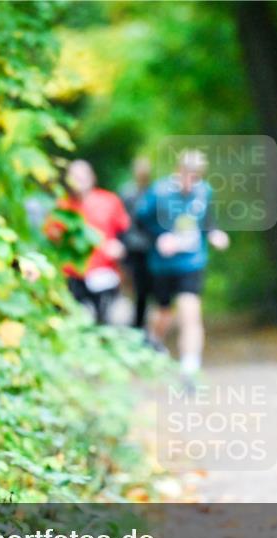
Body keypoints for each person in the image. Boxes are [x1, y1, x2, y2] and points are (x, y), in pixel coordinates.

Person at [139, 149, 229, 378]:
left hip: (192, 262)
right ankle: (154, 342)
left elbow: (207, 220)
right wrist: (159, 237)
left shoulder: (204, 191)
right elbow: (140, 221)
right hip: (163, 265)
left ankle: (190, 366)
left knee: (190, 311)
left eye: (197, 177)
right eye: (188, 176)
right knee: (164, 313)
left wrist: (214, 233)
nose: (192, 183)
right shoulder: (159, 191)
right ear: (178, 171)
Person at [53, 160, 130, 325]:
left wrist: (120, 247)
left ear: (92, 177)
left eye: (83, 176)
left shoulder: (109, 201)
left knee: (106, 319)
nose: (79, 180)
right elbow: (53, 238)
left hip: (104, 272)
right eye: (74, 176)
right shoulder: (63, 206)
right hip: (72, 274)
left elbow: (126, 232)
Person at [119, 156, 154, 329]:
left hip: (150, 248)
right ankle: (134, 323)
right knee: (132, 286)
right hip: (131, 247)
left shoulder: (154, 192)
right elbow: (121, 220)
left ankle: (141, 323)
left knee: (146, 289)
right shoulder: (127, 193)